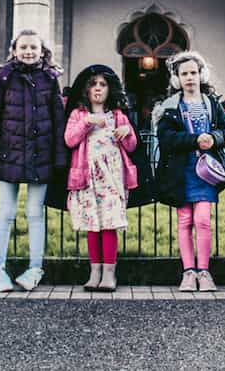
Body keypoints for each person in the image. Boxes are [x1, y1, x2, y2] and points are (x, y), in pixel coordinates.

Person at [0, 29, 66, 292]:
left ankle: (35, 268)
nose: (28, 52)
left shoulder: (50, 79)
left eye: (33, 48)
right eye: (23, 47)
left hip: (41, 155)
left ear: (42, 51)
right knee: (6, 213)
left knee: (35, 213)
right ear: (14, 50)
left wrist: (60, 159)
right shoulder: (4, 77)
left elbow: (58, 119)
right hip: (9, 154)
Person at [155, 51, 225, 292]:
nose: (190, 77)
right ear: (177, 78)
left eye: (193, 72)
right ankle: (188, 272)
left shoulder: (212, 104)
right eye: (184, 73)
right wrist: (194, 140)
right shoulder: (170, 107)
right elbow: (166, 138)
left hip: (205, 172)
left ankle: (204, 271)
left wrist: (213, 137)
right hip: (181, 172)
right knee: (185, 220)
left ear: (201, 74)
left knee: (202, 221)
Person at [62, 65, 139, 292]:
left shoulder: (117, 115)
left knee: (109, 225)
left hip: (112, 179)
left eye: (102, 84)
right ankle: (94, 272)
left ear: (110, 89)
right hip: (87, 179)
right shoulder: (79, 115)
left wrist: (128, 133)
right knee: (92, 226)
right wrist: (88, 122)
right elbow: (69, 140)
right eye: (93, 84)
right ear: (86, 89)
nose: (98, 88)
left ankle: (108, 274)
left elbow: (131, 145)